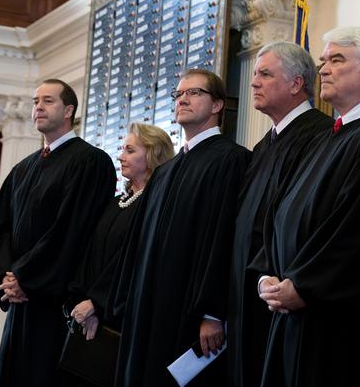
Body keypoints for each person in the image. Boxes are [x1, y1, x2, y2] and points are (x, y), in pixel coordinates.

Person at [257, 27, 360, 387]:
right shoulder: (325, 137)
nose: (323, 70)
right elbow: (280, 212)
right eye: (322, 61)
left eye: (336, 60)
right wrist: (268, 275)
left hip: (333, 319)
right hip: (289, 309)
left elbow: (359, 229)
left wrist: (303, 285)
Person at [112, 69, 250, 387]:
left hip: (189, 312)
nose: (182, 99)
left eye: (194, 93)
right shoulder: (165, 172)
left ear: (217, 105)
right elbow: (139, 243)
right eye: (178, 94)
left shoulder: (232, 161)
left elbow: (224, 241)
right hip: (147, 308)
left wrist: (212, 313)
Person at [0, 78, 117, 387]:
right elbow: (0, 229)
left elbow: (72, 230)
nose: (38, 107)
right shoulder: (23, 168)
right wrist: (6, 278)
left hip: (56, 302)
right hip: (21, 299)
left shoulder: (90, 161)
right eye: (35, 101)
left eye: (48, 101)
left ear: (69, 110)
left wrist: (26, 276)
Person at [228, 42, 332, 387]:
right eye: (255, 74)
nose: (254, 82)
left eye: (265, 74)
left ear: (296, 84)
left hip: (282, 294)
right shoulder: (262, 146)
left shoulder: (319, 134)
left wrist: (270, 278)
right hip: (249, 291)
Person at [61, 122, 173, 384]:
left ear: (153, 154)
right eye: (122, 148)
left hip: (126, 321)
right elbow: (88, 256)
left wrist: (98, 304)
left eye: (130, 150)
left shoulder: (157, 206)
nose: (121, 156)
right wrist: (82, 301)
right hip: (91, 316)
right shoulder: (114, 203)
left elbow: (133, 261)